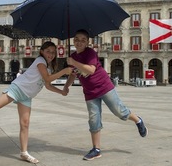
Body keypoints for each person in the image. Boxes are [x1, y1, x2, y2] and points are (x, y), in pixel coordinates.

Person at [0, 41, 72, 164]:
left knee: (25, 124)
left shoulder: (48, 67)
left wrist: (61, 92)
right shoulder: (40, 61)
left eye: (53, 52)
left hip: (27, 96)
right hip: (18, 88)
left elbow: (47, 85)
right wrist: (64, 71)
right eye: (48, 51)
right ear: (42, 51)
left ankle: (24, 153)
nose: (51, 54)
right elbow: (47, 78)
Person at [63, 29, 148, 161]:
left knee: (119, 111)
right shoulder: (72, 56)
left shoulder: (90, 53)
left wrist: (74, 63)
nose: (79, 42)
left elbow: (91, 70)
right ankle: (96, 149)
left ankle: (138, 120)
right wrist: (66, 86)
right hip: (90, 92)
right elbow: (74, 74)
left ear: (87, 42)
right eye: (77, 39)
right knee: (93, 119)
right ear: (73, 41)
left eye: (83, 40)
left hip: (104, 86)